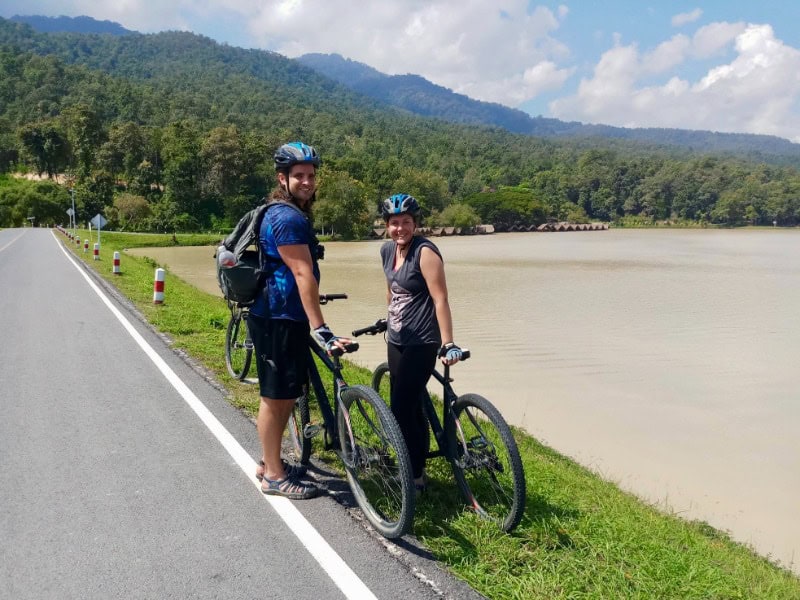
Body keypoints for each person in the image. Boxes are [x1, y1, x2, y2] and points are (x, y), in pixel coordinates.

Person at [249, 141, 349, 499]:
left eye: (311, 175)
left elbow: (293, 274)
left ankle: (268, 462)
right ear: (283, 178)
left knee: (284, 395)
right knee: (276, 399)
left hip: (279, 314)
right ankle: (274, 477)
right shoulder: (288, 217)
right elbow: (302, 272)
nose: (307, 182)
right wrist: (320, 328)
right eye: (299, 176)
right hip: (278, 319)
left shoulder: (282, 211)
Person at [379, 193, 463, 494]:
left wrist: (448, 342)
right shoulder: (387, 251)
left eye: (406, 222)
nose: (400, 228)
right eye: (394, 223)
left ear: (415, 224)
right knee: (410, 405)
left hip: (422, 341)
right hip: (397, 338)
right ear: (386, 226)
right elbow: (392, 290)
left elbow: (440, 298)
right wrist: (387, 317)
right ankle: (419, 461)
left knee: (401, 408)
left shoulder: (425, 252)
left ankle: (414, 478)